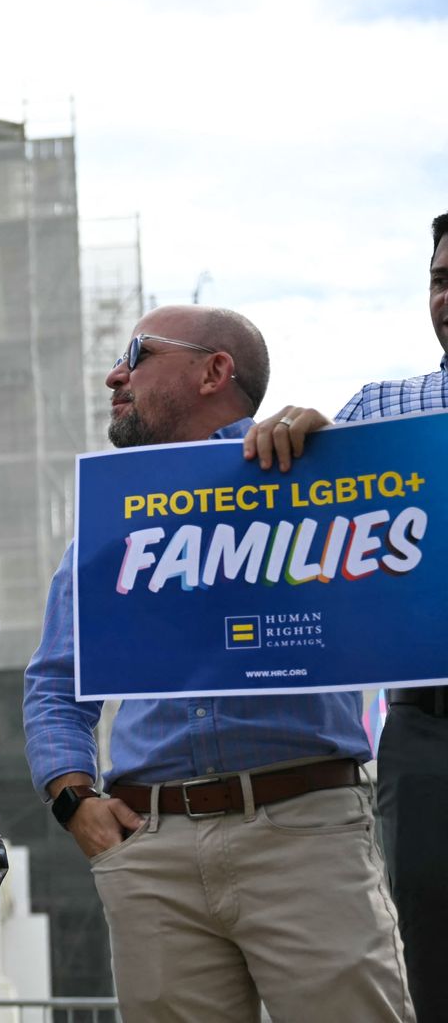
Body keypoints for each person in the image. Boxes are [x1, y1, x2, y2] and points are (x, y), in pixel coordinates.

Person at [24, 304, 412, 1022]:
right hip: (151, 847)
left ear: (215, 371)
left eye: (136, 354)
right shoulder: (112, 521)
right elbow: (54, 680)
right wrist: (74, 801)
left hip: (305, 835)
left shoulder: (313, 477)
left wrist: (339, 456)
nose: (114, 374)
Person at [243, 210, 448, 1021]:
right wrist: (304, 442)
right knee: (429, 955)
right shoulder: (387, 410)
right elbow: (296, 535)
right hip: (430, 730)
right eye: (440, 280)